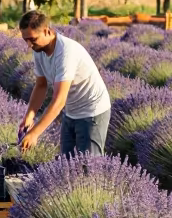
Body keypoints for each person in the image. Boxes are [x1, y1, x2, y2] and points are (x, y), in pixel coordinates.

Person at [17, 10, 111, 157]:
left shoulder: (66, 52)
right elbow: (41, 85)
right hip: (71, 111)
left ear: (47, 31)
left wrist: (35, 133)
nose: (29, 45)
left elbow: (59, 100)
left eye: (32, 39)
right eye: (25, 40)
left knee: (90, 166)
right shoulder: (38, 50)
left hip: (92, 111)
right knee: (67, 165)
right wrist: (29, 116)